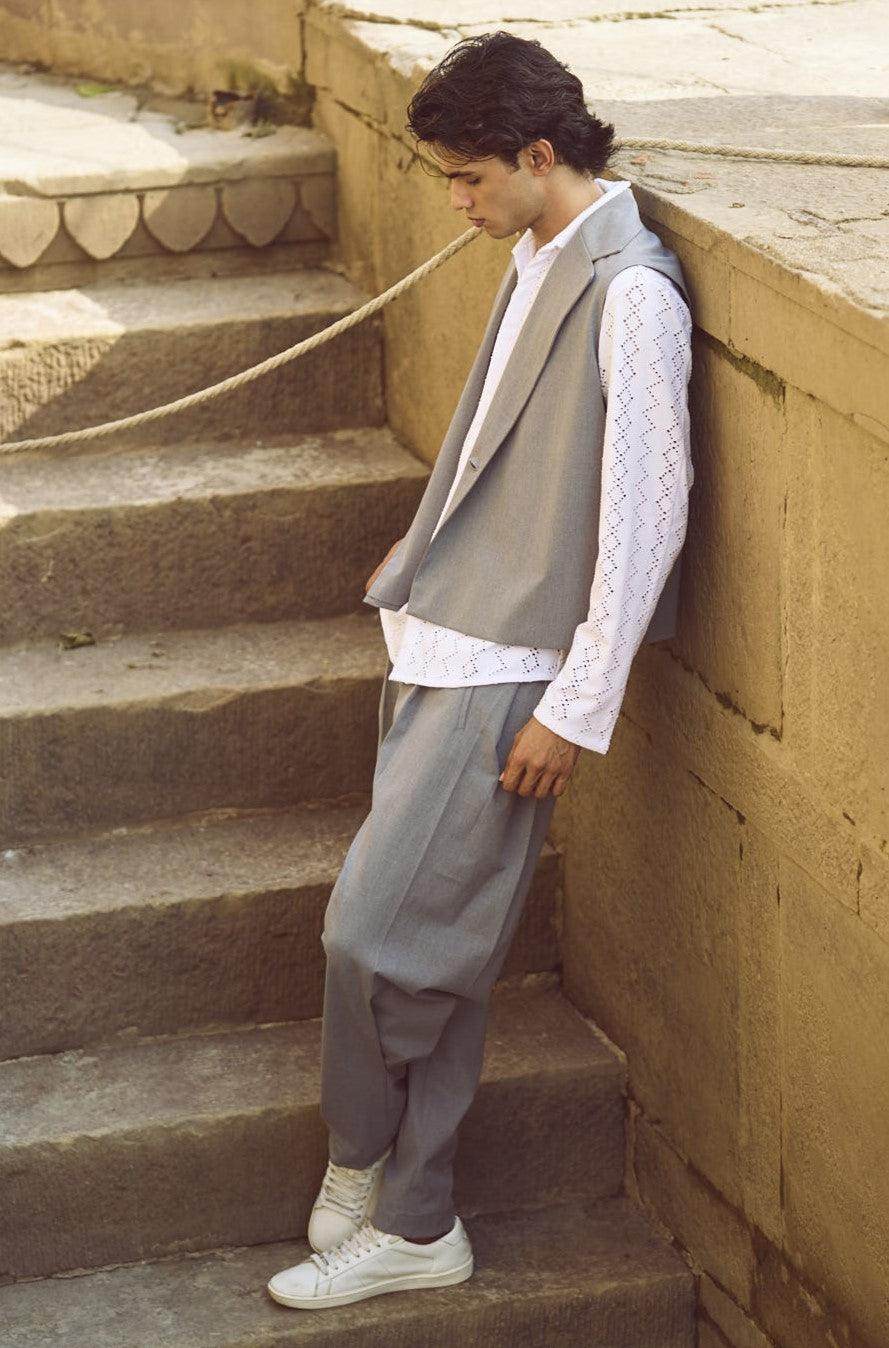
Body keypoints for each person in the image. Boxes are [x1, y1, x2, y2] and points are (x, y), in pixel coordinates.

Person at [267, 28, 693, 1311]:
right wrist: (426, 541)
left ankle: (364, 1157)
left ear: (538, 153)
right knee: (435, 947)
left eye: (468, 175)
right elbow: (503, 441)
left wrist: (575, 706)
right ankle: (414, 1217)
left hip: (510, 672)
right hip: (446, 630)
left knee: (368, 937)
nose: (454, 201)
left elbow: (645, 515)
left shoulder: (632, 292)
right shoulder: (538, 251)